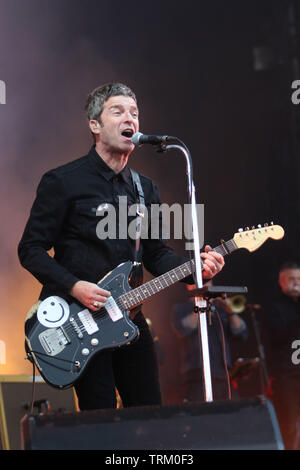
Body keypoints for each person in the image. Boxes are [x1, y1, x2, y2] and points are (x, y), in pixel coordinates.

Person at [18, 82, 225, 411]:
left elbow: (155, 253)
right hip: (81, 320)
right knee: (99, 418)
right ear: (95, 126)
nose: (130, 118)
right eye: (118, 111)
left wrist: (194, 269)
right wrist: (74, 287)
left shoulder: (145, 189)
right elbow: (30, 250)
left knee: (147, 414)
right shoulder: (63, 181)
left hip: (129, 320)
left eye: (135, 113)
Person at [172, 282, 248, 402]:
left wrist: (230, 311)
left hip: (222, 373)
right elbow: (182, 329)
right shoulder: (181, 308)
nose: (206, 285)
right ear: (190, 285)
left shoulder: (220, 308)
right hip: (195, 374)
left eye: (208, 281)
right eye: (202, 281)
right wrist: (202, 303)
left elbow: (241, 332)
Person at [261, 261, 300, 450]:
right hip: (286, 376)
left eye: (299, 279)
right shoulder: (273, 307)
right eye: (292, 279)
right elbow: (276, 336)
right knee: (289, 424)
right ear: (282, 281)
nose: (296, 283)